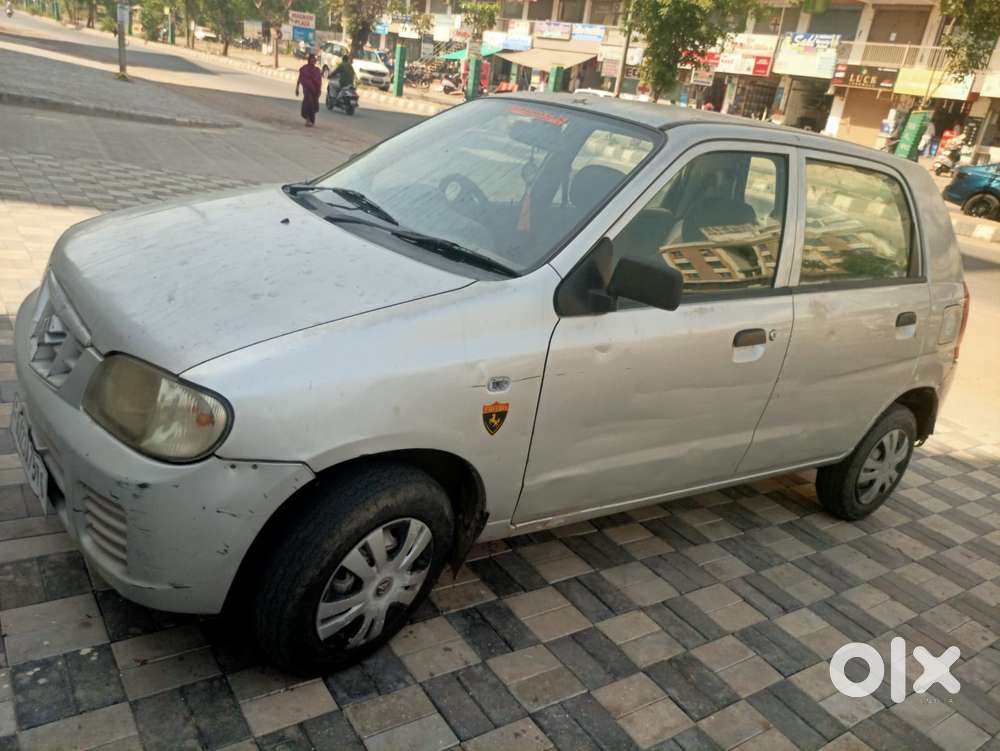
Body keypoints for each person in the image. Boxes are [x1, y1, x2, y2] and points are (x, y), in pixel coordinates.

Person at [295, 54, 322, 127]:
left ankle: (310, 119)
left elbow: (319, 81)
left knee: (313, 104)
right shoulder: (304, 69)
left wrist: (319, 90)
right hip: (307, 89)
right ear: (309, 61)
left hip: (315, 90)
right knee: (308, 103)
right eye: (312, 61)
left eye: (314, 61)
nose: (313, 62)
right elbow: (300, 78)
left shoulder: (317, 70)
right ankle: (308, 119)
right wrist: (297, 88)